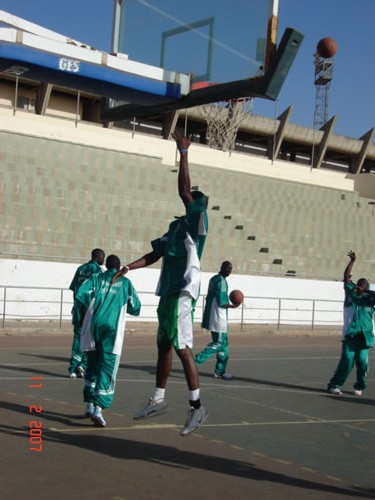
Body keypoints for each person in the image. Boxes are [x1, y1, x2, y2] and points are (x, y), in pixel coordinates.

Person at [111, 130, 209, 436]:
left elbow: (183, 193)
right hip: (167, 292)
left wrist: (183, 153)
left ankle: (197, 407)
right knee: (163, 346)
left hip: (182, 293)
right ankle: (158, 398)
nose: (189, 198)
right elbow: (155, 253)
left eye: (193, 198)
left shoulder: (198, 222)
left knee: (182, 348)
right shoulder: (175, 227)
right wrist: (128, 266)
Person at [75, 254, 141, 427]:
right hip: (111, 329)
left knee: (92, 365)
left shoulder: (96, 278)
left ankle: (89, 404)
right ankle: (98, 408)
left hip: (92, 327)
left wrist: (92, 307)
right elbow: (136, 307)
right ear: (119, 267)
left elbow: (81, 294)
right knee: (107, 367)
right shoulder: (125, 283)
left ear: (107, 265)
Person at [327, 250, 375, 396]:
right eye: (359, 284)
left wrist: (367, 292)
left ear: (367, 287)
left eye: (363, 285)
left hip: (365, 336)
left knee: (362, 363)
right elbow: (346, 278)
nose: (360, 286)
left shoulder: (370, 299)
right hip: (350, 334)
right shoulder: (350, 294)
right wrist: (352, 262)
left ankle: (359, 385)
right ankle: (334, 385)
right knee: (347, 360)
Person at [194, 261, 240, 380]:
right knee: (218, 343)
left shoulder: (213, 279)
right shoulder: (221, 281)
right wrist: (234, 305)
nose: (229, 270)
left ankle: (220, 371)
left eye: (231, 268)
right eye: (228, 268)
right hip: (218, 318)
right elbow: (222, 302)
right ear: (222, 268)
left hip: (213, 316)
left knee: (223, 346)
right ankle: (194, 362)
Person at [68, 248, 105, 378]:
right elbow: (99, 292)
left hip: (78, 305)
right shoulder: (98, 271)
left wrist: (75, 303)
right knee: (89, 337)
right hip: (89, 307)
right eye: (103, 257)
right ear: (98, 257)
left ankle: (73, 367)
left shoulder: (80, 269)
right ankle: (82, 365)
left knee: (77, 336)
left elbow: (75, 289)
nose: (103, 260)